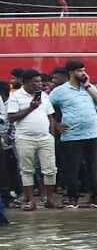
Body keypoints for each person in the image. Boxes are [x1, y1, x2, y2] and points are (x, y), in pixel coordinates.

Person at [49, 59, 97, 209]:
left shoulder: (89, 88)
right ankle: (72, 198)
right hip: (72, 136)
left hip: (93, 134)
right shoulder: (59, 91)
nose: (83, 73)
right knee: (72, 168)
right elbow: (46, 109)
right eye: (79, 71)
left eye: (83, 70)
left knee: (93, 166)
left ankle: (95, 197)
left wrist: (88, 85)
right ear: (71, 73)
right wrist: (56, 124)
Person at [5, 70, 60, 210]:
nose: (39, 84)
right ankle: (31, 201)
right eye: (35, 81)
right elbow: (11, 117)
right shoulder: (15, 96)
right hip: (24, 138)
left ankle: (49, 199)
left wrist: (51, 135)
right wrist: (31, 108)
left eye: (40, 81)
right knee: (27, 170)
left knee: (50, 170)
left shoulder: (44, 96)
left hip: (45, 138)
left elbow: (50, 116)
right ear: (26, 82)